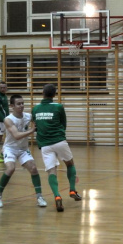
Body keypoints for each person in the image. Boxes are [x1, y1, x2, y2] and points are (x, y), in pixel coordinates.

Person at [32, 84, 82, 212]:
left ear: (42, 93)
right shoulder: (59, 107)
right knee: (70, 164)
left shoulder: (35, 109)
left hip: (45, 145)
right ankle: (72, 190)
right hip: (59, 141)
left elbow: (35, 126)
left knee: (51, 171)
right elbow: (63, 124)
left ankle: (57, 195)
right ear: (54, 94)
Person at [0, 94, 47, 208]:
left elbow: (38, 121)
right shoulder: (8, 119)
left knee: (33, 168)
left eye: (22, 103)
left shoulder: (28, 116)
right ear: (12, 106)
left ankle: (39, 197)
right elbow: (17, 135)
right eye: (18, 104)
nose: (21, 106)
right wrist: (32, 130)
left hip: (23, 149)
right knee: (11, 168)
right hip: (10, 148)